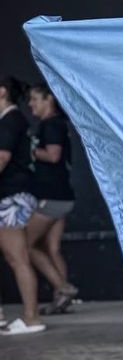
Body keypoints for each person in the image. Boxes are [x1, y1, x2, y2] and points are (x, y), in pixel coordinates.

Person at [27, 82, 78, 313]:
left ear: (49, 99)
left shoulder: (51, 125)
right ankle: (61, 301)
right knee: (52, 247)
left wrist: (27, 150)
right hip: (62, 196)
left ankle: (63, 288)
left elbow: (53, 155)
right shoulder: (56, 124)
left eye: (35, 99)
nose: (31, 104)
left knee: (25, 246)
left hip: (51, 197)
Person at [0, 76, 45, 335]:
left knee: (18, 258)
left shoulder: (10, 120)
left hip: (12, 198)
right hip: (13, 196)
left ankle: (32, 318)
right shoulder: (11, 120)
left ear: (2, 92)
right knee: (16, 257)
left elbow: (2, 159)